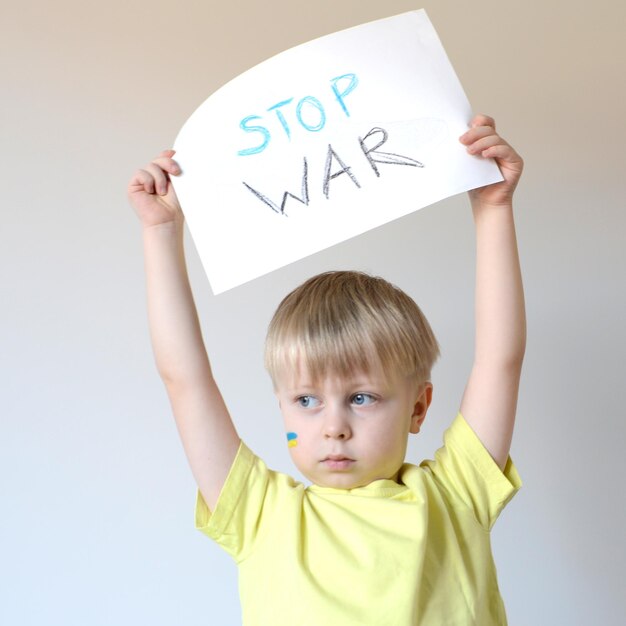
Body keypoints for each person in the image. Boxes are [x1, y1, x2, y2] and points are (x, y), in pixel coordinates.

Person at [127, 114, 525, 625]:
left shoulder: (456, 496)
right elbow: (184, 380)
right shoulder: (260, 514)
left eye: (361, 398)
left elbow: (500, 360)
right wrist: (160, 231)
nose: (333, 426)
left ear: (418, 407)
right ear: (283, 407)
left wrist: (494, 208)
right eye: (306, 401)